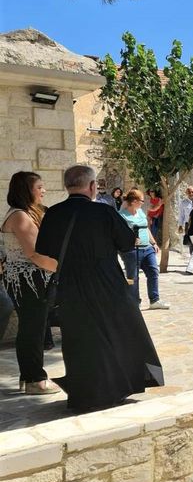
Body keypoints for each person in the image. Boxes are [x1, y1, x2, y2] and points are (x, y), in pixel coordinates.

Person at [36, 165, 163, 411]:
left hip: (71, 285)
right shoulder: (103, 212)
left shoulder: (54, 213)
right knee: (120, 333)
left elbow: (45, 249)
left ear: (66, 186)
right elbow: (126, 243)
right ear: (92, 186)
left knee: (79, 338)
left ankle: (85, 394)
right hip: (107, 283)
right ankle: (118, 387)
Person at [0, 172, 59, 395]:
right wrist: (61, 267)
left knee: (34, 328)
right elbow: (34, 253)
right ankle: (35, 380)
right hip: (28, 280)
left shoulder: (26, 213)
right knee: (32, 329)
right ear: (26, 190)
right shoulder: (20, 216)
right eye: (39, 187)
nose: (44, 191)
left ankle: (31, 377)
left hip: (30, 279)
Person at [118, 189, 168, 310]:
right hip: (132, 251)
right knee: (133, 277)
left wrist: (154, 243)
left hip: (147, 248)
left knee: (153, 272)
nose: (143, 202)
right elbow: (118, 234)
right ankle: (134, 302)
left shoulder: (140, 211)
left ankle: (154, 300)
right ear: (134, 201)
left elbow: (146, 228)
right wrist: (129, 240)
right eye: (141, 200)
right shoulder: (121, 216)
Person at [178, 186, 193, 255]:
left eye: (192, 192)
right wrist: (180, 225)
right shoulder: (183, 203)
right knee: (191, 242)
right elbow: (181, 215)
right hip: (188, 225)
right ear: (186, 193)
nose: (191, 193)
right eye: (189, 192)